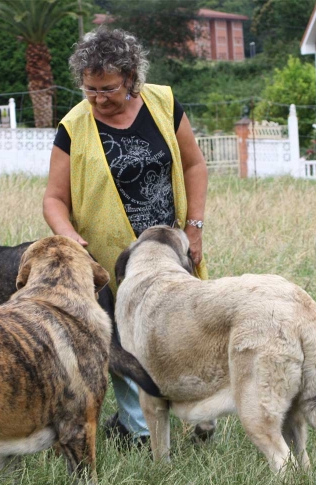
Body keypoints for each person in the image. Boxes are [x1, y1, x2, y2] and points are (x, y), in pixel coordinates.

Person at [43, 26, 211, 446]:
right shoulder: (73, 126)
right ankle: (140, 431)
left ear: (132, 77)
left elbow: (194, 166)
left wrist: (195, 226)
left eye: (109, 88)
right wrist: (68, 237)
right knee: (121, 346)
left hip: (169, 253)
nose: (99, 98)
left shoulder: (164, 103)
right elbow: (53, 199)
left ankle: (196, 421)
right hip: (108, 261)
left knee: (182, 333)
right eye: (90, 89)